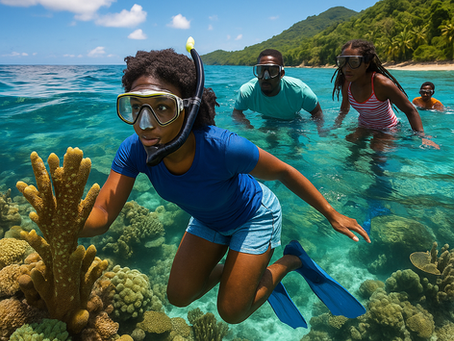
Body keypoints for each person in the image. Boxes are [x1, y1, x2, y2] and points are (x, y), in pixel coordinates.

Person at [79, 47, 369, 327]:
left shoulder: (223, 147)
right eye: (135, 108)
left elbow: (284, 171)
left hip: (254, 216)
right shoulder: (133, 151)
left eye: (162, 108)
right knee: (179, 296)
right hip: (209, 219)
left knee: (232, 311)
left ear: (188, 109)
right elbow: (103, 211)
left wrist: (331, 213)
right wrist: (65, 221)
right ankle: (243, 277)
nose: (144, 124)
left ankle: (293, 260)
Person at [332, 39, 439, 149]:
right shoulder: (347, 83)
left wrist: (422, 137)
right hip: (364, 125)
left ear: (367, 64)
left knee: (377, 150)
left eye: (354, 62)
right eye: (343, 61)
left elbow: (410, 110)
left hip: (388, 128)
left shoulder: (382, 84)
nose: (347, 68)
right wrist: (335, 126)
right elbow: (344, 109)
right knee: (351, 143)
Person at [232, 49, 325, 136]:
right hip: (268, 119)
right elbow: (237, 113)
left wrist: (320, 130)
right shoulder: (247, 92)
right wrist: (248, 128)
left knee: (295, 145)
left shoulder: (300, 91)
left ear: (281, 74)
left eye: (272, 71)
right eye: (261, 71)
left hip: (293, 120)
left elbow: (317, 112)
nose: (266, 77)